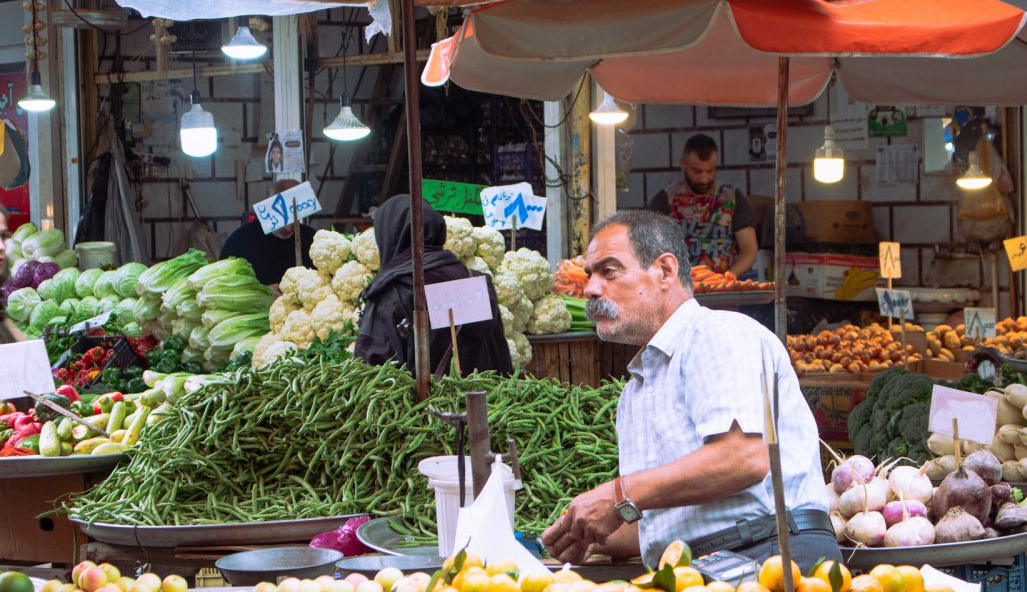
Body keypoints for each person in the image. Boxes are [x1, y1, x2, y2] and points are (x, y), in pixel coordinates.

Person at [541, 209, 835, 571]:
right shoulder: (634, 393)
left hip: (769, 557)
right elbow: (671, 521)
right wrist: (587, 532)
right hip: (696, 570)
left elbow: (742, 458)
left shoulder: (717, 334)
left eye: (609, 271)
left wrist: (618, 495)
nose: (590, 289)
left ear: (665, 270)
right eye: (590, 275)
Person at [355, 195, 512, 376]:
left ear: (387, 237)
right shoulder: (475, 282)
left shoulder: (394, 292)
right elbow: (501, 358)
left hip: (423, 404)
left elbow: (372, 374)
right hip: (483, 402)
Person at [648, 133, 758, 277]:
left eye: (710, 171)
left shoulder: (732, 197)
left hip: (724, 287)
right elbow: (649, 248)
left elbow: (749, 249)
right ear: (683, 165)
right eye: (697, 171)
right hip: (680, 287)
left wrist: (728, 277)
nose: (704, 178)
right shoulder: (665, 199)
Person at [219, 179, 317, 286]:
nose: (289, 225)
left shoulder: (312, 240)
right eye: (283, 209)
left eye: (295, 210)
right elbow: (224, 281)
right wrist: (264, 292)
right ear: (271, 205)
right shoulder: (241, 239)